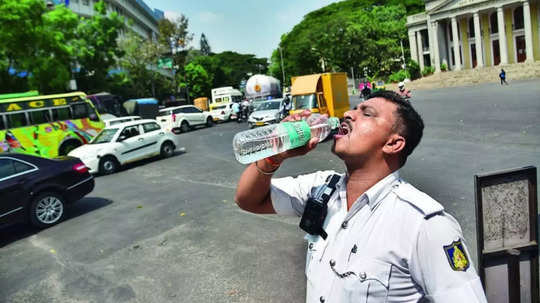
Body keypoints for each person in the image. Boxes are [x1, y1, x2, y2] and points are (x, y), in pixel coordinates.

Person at [235, 90, 487, 302]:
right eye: (354, 109)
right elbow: (249, 199)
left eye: (366, 113)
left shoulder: (424, 225)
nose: (347, 114)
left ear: (393, 143)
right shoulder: (322, 188)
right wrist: (275, 155)